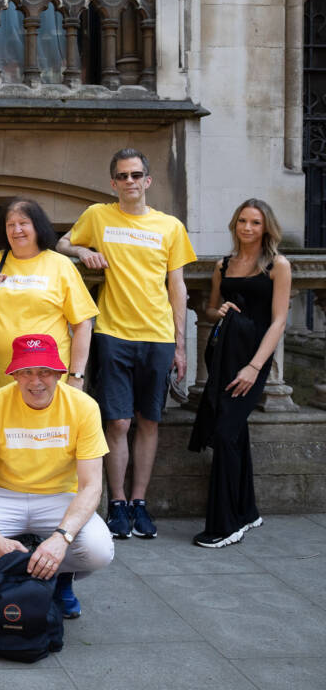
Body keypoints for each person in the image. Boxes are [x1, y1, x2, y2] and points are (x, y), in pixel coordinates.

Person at [58, 148, 196, 540]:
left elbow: (178, 285)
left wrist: (180, 345)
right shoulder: (98, 216)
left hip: (157, 335)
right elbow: (62, 243)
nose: (130, 182)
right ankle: (117, 502)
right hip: (113, 333)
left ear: (147, 181)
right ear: (113, 182)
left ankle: (140, 502)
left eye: (137, 175)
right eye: (123, 176)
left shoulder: (170, 226)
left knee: (149, 421)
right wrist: (84, 250)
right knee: (117, 421)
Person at [0, 334, 115, 619]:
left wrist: (61, 539)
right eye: (26, 372)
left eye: (45, 372)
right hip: (2, 493)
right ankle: (8, 574)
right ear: (14, 374)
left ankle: (58, 576)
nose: (36, 381)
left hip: (59, 495)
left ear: (60, 373)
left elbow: (91, 486)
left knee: (99, 550)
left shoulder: (83, 406)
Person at [189, 200, 291, 548]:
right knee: (233, 432)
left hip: (252, 358)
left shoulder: (278, 265)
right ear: (235, 224)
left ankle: (225, 524)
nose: (247, 228)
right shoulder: (224, 264)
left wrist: (254, 367)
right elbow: (210, 308)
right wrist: (220, 310)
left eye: (256, 222)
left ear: (266, 228)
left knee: (225, 430)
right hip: (223, 354)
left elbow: (278, 321)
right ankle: (247, 512)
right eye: (242, 221)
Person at [0, 197, 97, 392]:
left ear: (37, 227)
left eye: (23, 223)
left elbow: (83, 324)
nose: (16, 230)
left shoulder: (60, 264)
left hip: (46, 378)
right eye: (10, 225)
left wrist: (76, 376)